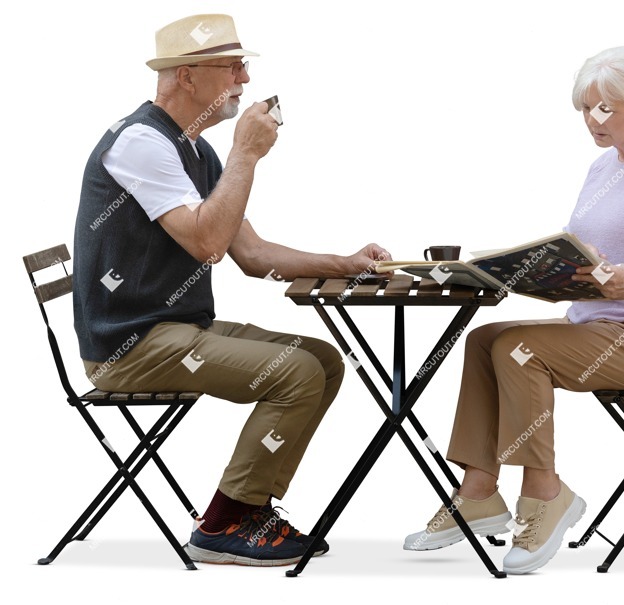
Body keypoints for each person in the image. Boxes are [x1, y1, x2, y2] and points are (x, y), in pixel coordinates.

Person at [73, 13, 391, 567]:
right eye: (231, 66)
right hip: (129, 345)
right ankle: (223, 527)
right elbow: (208, 245)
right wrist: (246, 154)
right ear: (186, 76)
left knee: (322, 359)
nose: (243, 79)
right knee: (294, 372)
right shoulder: (142, 142)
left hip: (173, 329)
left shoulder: (195, 149)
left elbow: (251, 254)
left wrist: (349, 263)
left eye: (244, 66)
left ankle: (248, 508)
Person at [404, 45, 624, 574]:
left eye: (607, 108)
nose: (594, 120)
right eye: (586, 109)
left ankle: (546, 494)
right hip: (596, 325)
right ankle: (478, 492)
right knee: (484, 339)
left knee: (519, 349)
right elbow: (596, 255)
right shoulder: (603, 167)